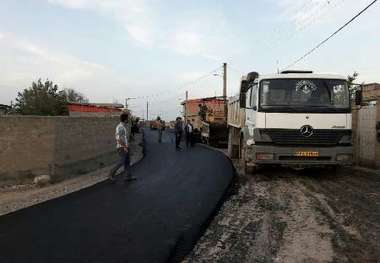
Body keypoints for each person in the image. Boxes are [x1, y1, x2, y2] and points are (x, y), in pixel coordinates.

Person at [109, 113, 136, 182]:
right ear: (125, 119)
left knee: (127, 162)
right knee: (122, 161)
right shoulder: (120, 127)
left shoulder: (125, 126)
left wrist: (130, 139)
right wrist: (124, 147)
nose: (129, 119)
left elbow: (125, 137)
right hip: (121, 147)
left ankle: (128, 176)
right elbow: (118, 139)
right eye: (128, 118)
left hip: (126, 147)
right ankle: (111, 173)